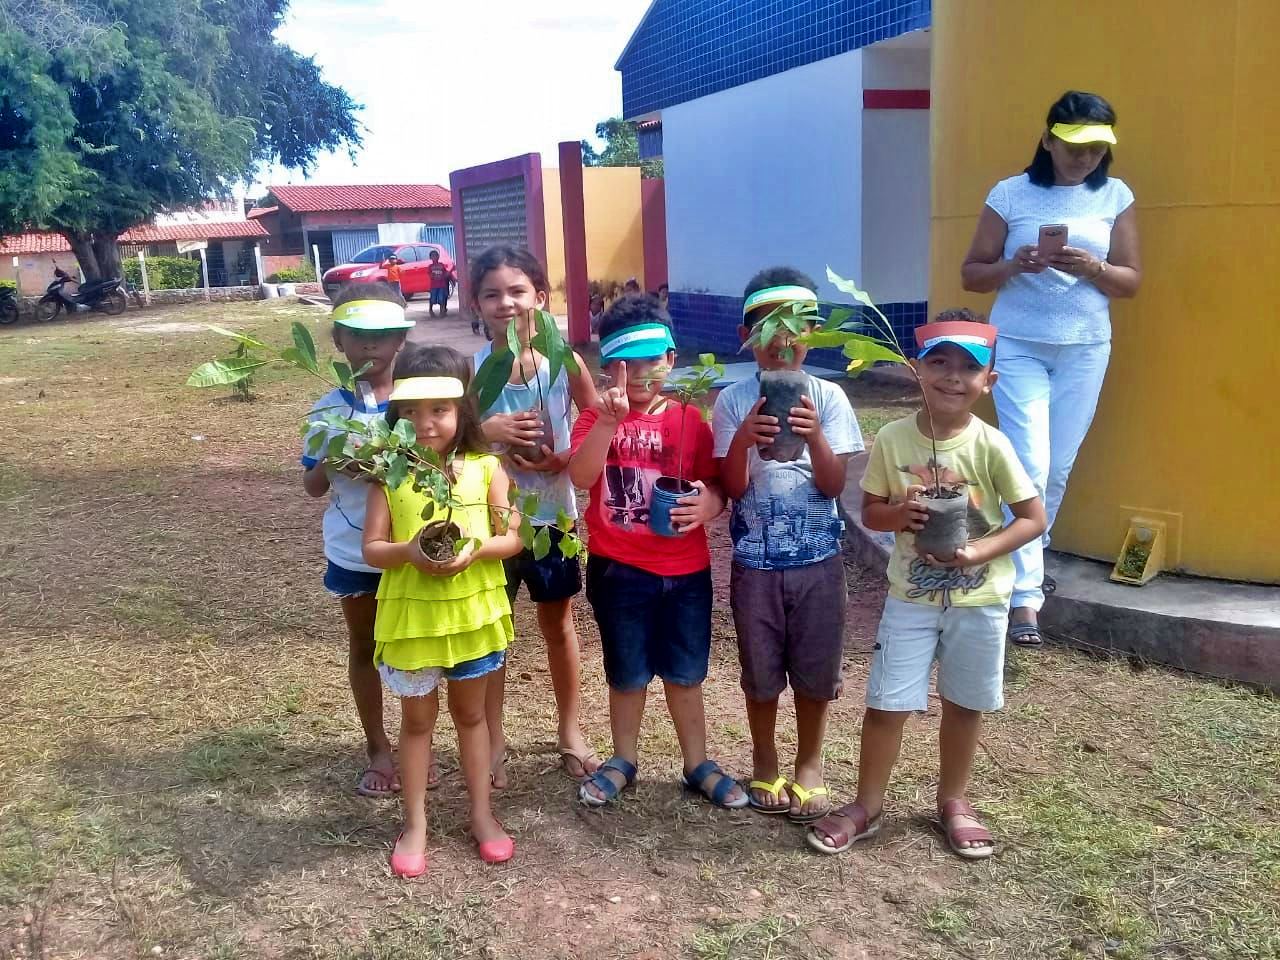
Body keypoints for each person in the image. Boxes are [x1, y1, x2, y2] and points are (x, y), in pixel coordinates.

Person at [806, 316, 1046, 860]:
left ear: (990, 381)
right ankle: (867, 804)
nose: (953, 377)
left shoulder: (991, 446)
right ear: (916, 369)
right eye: (939, 362)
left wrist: (979, 551)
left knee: (965, 703)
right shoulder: (892, 440)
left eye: (969, 367)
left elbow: (1033, 518)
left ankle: (954, 800)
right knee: (887, 704)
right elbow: (869, 511)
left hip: (980, 601)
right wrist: (900, 512)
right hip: (910, 599)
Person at [961, 90, 1141, 647]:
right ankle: (1025, 600)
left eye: (1095, 147)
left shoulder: (1114, 195)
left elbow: (1131, 281)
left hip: (1086, 347)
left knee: (1056, 468)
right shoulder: (1011, 193)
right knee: (1031, 464)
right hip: (1017, 345)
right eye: (1073, 144)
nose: (1083, 156)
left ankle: (1022, 569)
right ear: (1047, 139)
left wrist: (1094, 267)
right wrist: (1014, 264)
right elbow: (972, 273)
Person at [568, 294, 747, 809]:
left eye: (652, 360)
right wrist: (606, 422)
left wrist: (708, 504)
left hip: (685, 573)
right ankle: (623, 759)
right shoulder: (596, 418)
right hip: (618, 569)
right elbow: (581, 477)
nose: (641, 375)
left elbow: (716, 485)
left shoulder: (691, 420)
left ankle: (697, 763)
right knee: (627, 673)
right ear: (608, 370)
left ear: (671, 358)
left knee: (686, 674)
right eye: (625, 365)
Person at [362, 345, 524, 877]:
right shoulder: (389, 474)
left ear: (463, 413)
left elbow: (512, 540)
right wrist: (409, 552)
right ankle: (416, 824)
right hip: (415, 622)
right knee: (416, 722)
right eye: (411, 412)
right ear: (395, 416)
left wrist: (476, 548)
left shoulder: (485, 467)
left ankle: (482, 815)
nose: (425, 423)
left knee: (472, 716)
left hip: (470, 616)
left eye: (439, 410)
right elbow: (372, 549)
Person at [712, 267, 863, 823]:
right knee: (761, 667)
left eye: (795, 327)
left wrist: (816, 435)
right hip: (755, 562)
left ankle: (810, 760)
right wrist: (745, 442)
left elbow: (832, 486)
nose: (781, 341)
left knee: (815, 667)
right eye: (767, 329)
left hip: (819, 562)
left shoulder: (830, 397)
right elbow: (730, 490)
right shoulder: (732, 401)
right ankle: (764, 752)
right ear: (747, 338)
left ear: (812, 334)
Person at [469, 245, 601, 784]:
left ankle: (570, 730)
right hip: (493, 519)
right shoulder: (472, 372)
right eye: (492, 294)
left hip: (552, 516)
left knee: (558, 624)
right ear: (475, 305)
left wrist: (566, 457)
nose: (506, 303)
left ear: (541, 299)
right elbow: (449, 440)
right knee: (494, 633)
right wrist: (489, 433)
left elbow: (592, 410)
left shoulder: (561, 360)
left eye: (518, 291)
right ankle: (494, 740)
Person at [301, 281, 415, 800]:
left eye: (384, 336)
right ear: (338, 341)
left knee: (417, 648)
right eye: (359, 336)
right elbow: (312, 485)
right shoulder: (325, 410)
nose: (371, 347)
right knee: (365, 646)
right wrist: (335, 452)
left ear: (401, 342)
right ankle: (377, 747)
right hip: (353, 555)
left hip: (414, 550)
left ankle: (419, 746)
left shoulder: (420, 402)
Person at [427, 250, 455, 317]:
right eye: (432, 256)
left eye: (436, 255)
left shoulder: (441, 265)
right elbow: (430, 275)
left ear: (438, 257)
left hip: (442, 285)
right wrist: (433, 275)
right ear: (430, 258)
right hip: (434, 286)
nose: (434, 257)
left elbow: (446, 274)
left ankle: (442, 311)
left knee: (441, 298)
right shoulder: (430, 267)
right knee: (432, 299)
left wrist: (451, 270)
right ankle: (430, 310)